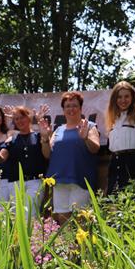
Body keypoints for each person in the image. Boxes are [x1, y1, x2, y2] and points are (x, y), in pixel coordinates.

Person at [40, 91, 100, 224]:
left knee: (81, 219)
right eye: (67, 106)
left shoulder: (89, 126)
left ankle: (82, 240)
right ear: (63, 110)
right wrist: (44, 138)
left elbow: (95, 148)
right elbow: (47, 154)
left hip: (81, 179)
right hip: (59, 180)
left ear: (80, 108)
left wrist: (85, 138)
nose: (71, 109)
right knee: (62, 219)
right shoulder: (58, 130)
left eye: (74, 105)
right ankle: (67, 239)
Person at [0, 106, 50, 217]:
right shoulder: (11, 139)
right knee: (16, 217)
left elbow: (47, 154)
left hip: (35, 182)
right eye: (16, 119)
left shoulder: (39, 136)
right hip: (15, 184)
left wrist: (45, 139)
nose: (20, 121)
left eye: (22, 117)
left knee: (29, 215)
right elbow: (1, 158)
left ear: (29, 118)